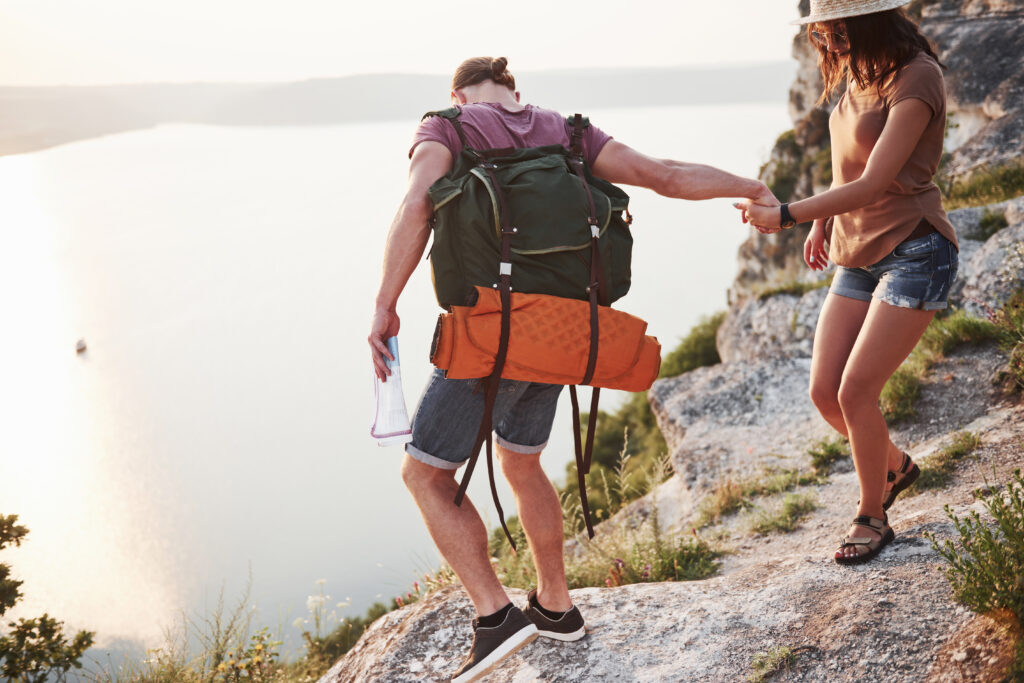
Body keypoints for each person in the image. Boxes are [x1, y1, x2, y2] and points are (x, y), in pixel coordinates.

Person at [369, 56, 777, 682]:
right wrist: (750, 187)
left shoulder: (447, 129)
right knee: (521, 459)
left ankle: (495, 617)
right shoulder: (566, 132)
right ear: (515, 94)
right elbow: (663, 175)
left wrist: (384, 305)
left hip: (490, 333)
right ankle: (556, 606)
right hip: (564, 334)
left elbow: (417, 206)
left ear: (458, 94)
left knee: (424, 475)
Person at [735, 0, 958, 565]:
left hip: (916, 247)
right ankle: (897, 466)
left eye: (838, 34)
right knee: (823, 391)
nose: (830, 46)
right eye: (824, 36)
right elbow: (848, 166)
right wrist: (824, 220)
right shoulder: (860, 72)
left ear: (868, 24)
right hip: (856, 252)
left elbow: (880, 179)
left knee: (855, 391)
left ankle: (873, 514)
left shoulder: (917, 77)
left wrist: (790, 213)